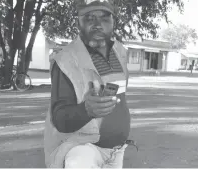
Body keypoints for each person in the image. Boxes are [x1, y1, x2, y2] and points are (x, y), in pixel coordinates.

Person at [44, 0, 134, 168]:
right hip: (83, 150)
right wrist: (86, 110)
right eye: (89, 18)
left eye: (105, 18)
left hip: (117, 151)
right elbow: (59, 118)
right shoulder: (65, 60)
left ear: (113, 21)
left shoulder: (120, 52)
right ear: (78, 21)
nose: (98, 25)